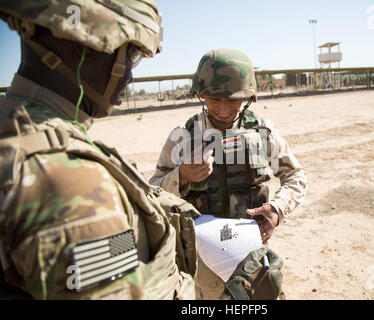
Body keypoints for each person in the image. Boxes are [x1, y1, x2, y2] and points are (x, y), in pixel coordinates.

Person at [0, 0, 199, 299]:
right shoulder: (69, 179)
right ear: (89, 44)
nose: (130, 76)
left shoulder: (20, 135)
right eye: (130, 55)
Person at [149, 48, 307, 299]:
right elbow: (152, 194)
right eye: (214, 99)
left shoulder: (262, 132)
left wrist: (277, 209)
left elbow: (296, 176)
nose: (223, 109)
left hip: (251, 259)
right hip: (203, 266)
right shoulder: (182, 137)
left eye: (233, 99)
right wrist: (183, 175)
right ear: (201, 94)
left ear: (248, 97)